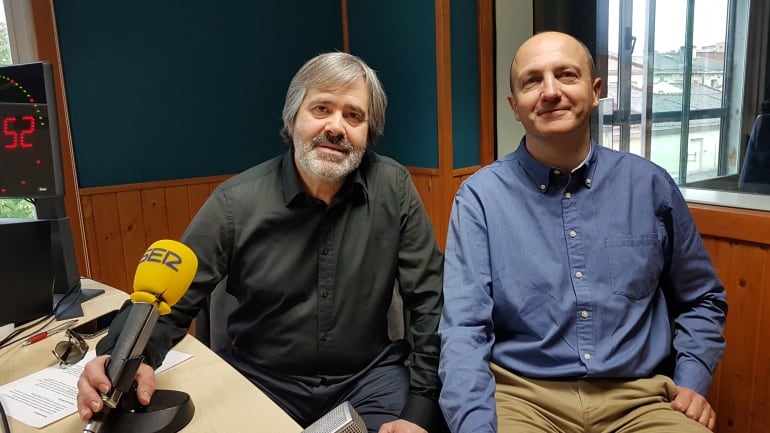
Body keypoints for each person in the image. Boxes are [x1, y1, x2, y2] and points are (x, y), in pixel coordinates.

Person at [76, 52, 447, 433]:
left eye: (354, 116)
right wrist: (116, 360)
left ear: (369, 133)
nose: (336, 127)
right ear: (293, 118)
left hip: (369, 379)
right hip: (263, 380)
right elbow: (167, 302)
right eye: (321, 108)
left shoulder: (394, 187)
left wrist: (420, 408)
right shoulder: (234, 202)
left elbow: (429, 301)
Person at [438, 31, 728, 433]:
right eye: (532, 81)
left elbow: (702, 299)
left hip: (639, 397)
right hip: (523, 397)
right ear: (514, 107)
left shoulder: (650, 187)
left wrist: (692, 381)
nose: (550, 92)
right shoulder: (480, 198)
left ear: (595, 92)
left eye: (566, 75)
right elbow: (464, 328)